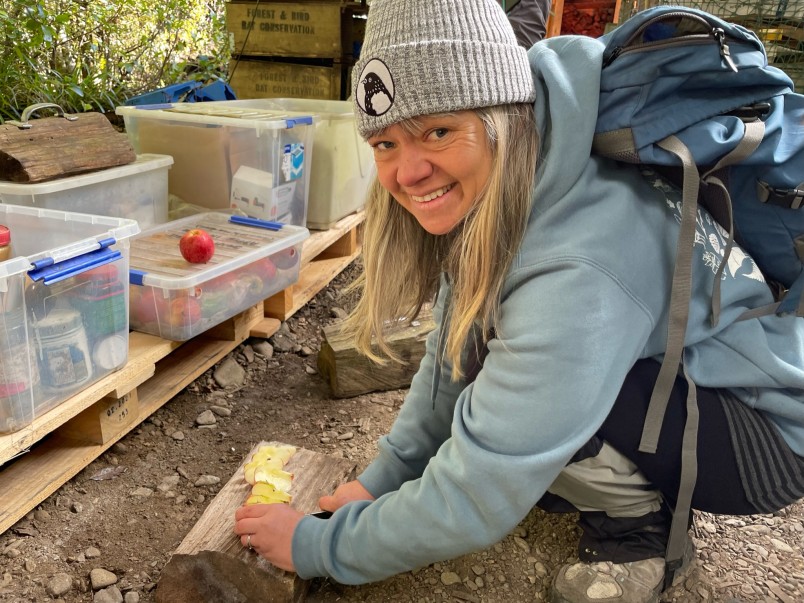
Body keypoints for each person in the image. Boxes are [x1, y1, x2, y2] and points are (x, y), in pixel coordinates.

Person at [234, 1, 804, 601]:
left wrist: (319, 547)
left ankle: (637, 530)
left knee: (514, 408)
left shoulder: (577, 263)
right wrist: (384, 480)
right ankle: (620, 479)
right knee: (492, 368)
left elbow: (478, 493)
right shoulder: (525, 167)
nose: (408, 172)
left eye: (438, 130)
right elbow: (451, 349)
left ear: (500, 115)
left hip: (762, 440)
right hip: (693, 382)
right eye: (384, 144)